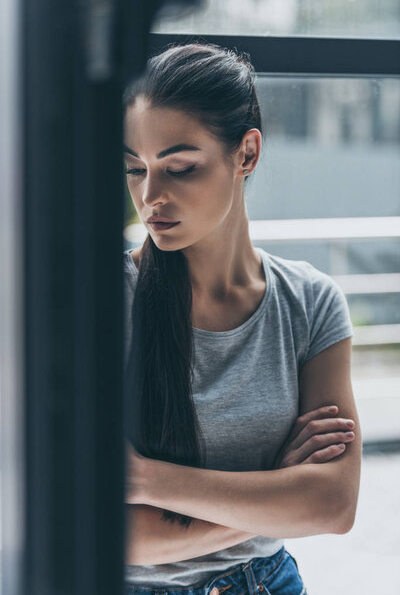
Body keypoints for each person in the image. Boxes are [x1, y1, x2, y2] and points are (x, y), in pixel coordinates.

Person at [122, 41, 362, 595]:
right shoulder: (109, 299)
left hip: (269, 584)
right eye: (136, 169)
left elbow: (335, 504)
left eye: (180, 168)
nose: (150, 196)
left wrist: (150, 481)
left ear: (246, 154)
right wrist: (278, 491)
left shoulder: (311, 302)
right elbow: (113, 535)